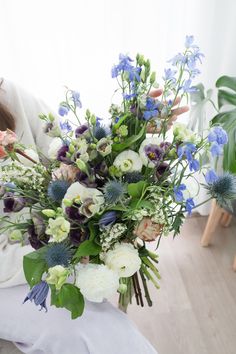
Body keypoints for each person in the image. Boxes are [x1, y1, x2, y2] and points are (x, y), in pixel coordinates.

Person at [0, 78, 188, 354]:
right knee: (85, 329)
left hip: (50, 241)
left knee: (107, 332)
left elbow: (65, 151)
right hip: (18, 264)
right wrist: (70, 247)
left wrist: (131, 132)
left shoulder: (9, 93)